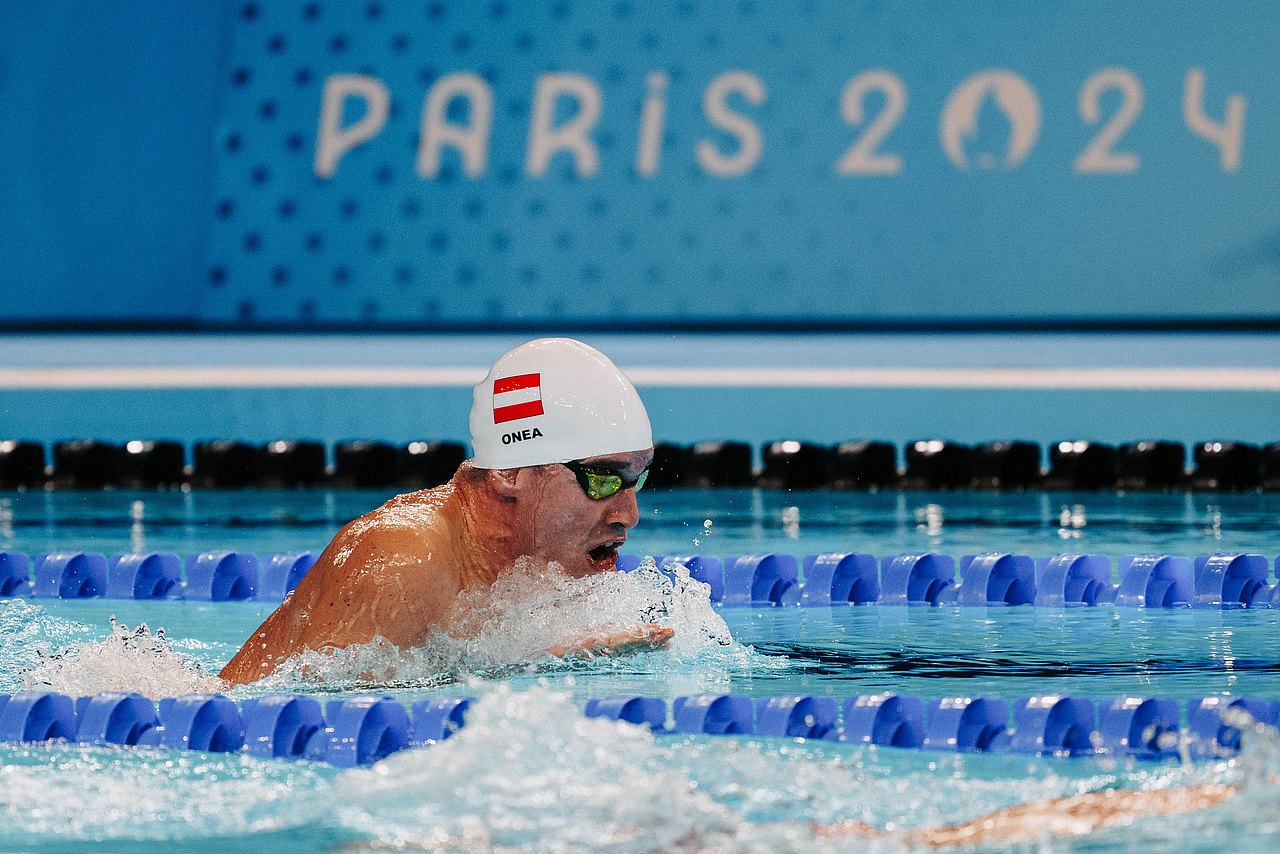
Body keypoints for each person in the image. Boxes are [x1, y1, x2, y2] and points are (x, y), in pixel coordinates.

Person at [220, 338, 672, 685]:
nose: (629, 514)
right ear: (511, 473)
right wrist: (534, 663)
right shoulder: (403, 558)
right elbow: (331, 722)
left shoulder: (541, 564)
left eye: (638, 478)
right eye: (603, 477)